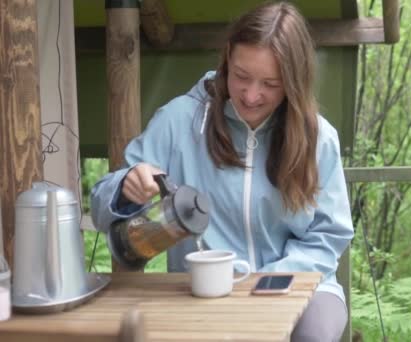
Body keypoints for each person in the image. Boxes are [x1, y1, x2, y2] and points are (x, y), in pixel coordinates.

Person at [90, 2, 354, 341]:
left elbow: (328, 236)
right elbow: (101, 209)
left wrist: (262, 282)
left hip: (299, 283)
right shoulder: (178, 121)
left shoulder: (318, 137)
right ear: (228, 57)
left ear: (294, 82)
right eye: (242, 76)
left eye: (270, 84)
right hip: (201, 289)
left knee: (313, 334)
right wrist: (125, 187)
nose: (251, 94)